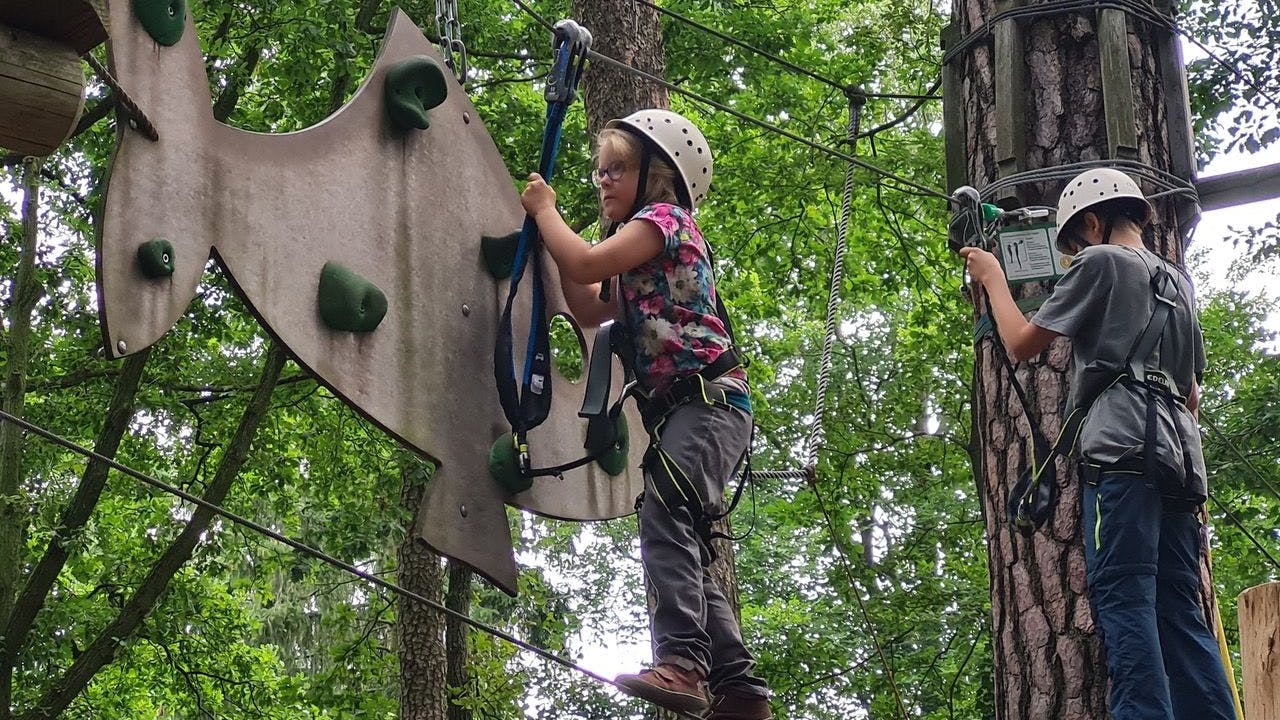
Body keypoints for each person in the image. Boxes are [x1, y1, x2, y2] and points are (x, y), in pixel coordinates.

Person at [520, 109, 772, 720]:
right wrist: (548, 239)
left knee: (664, 515)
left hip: (706, 405)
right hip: (691, 413)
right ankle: (737, 688)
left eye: (618, 170)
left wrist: (545, 213)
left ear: (658, 175)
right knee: (676, 529)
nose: (603, 181)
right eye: (598, 172)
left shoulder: (664, 221)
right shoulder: (632, 257)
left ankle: (683, 666)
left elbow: (584, 265)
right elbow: (584, 302)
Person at [959, 168, 1236, 720]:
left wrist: (992, 277)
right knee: (1179, 610)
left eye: (1073, 244)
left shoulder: (1101, 261)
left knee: (1124, 597)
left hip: (1121, 457)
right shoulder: (1178, 282)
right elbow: (1192, 393)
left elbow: (1020, 344)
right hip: (1182, 463)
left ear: (1091, 221)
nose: (1072, 256)